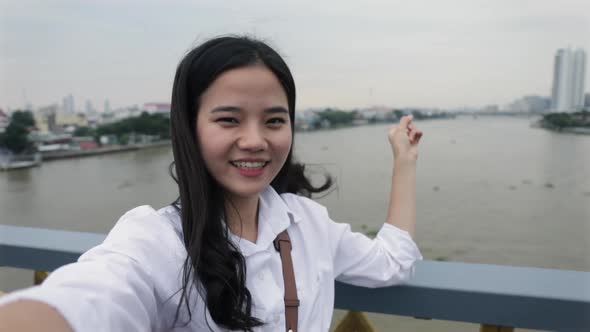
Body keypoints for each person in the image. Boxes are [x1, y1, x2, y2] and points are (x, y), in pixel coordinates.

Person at [0, 36, 424, 332]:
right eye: (229, 119)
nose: (256, 140)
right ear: (190, 127)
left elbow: (392, 262)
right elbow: (90, 300)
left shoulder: (309, 224)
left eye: (275, 120)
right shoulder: (157, 241)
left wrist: (404, 163)